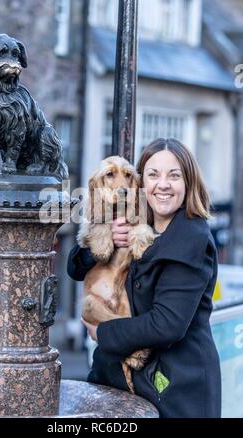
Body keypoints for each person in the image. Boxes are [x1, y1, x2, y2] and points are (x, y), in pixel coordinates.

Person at [67, 138, 221, 418]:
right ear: (141, 183)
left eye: (174, 175)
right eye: (153, 175)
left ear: (188, 182)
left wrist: (101, 332)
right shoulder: (133, 221)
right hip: (115, 383)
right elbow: (75, 269)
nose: (162, 184)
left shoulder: (191, 238)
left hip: (175, 391)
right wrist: (107, 242)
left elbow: (167, 325)